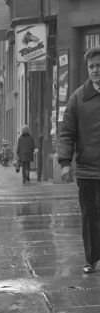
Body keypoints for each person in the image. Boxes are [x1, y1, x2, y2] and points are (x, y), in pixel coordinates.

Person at [58, 47, 100, 273]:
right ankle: (92, 259)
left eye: (99, 66)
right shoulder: (78, 98)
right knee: (90, 216)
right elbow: (67, 133)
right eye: (92, 66)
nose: (96, 70)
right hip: (88, 170)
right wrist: (65, 163)